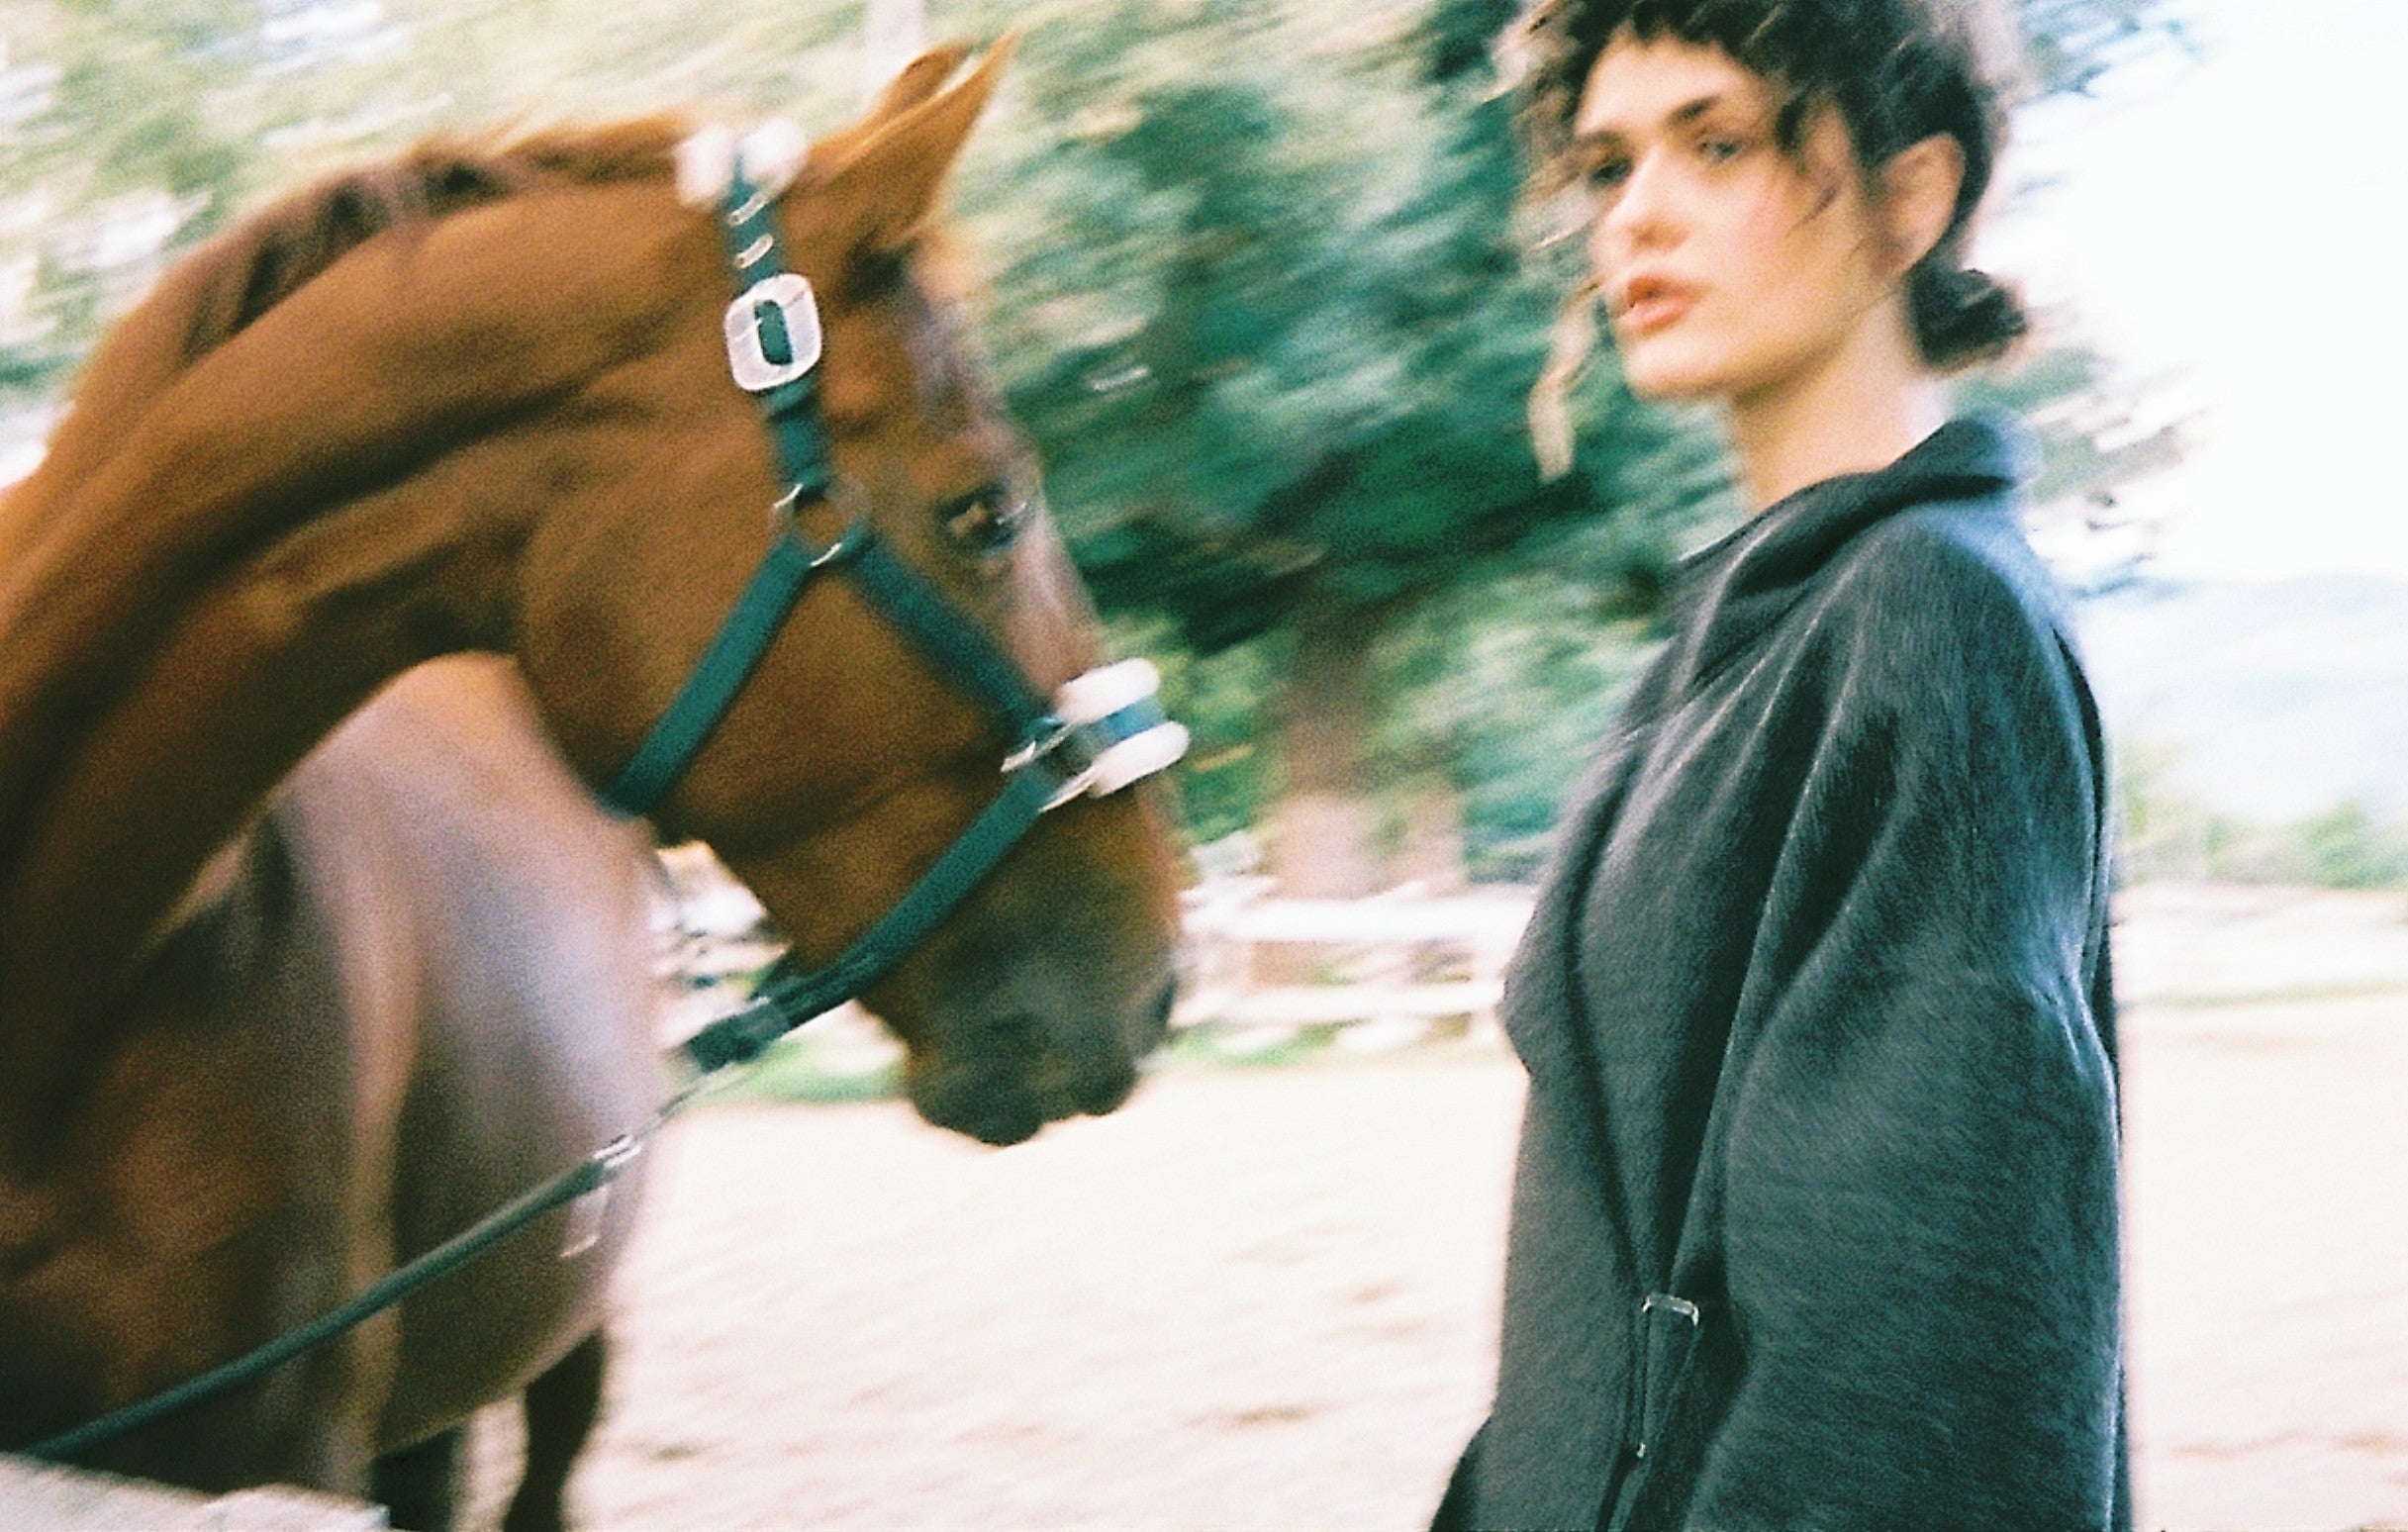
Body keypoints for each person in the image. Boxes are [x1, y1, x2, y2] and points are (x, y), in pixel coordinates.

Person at [1434, 2, 2127, 1528]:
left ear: (1907, 197)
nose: (1635, 214)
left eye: (1717, 144)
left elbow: (1918, 1367)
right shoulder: (1729, 642)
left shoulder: (1932, 621)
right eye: (1608, 164)